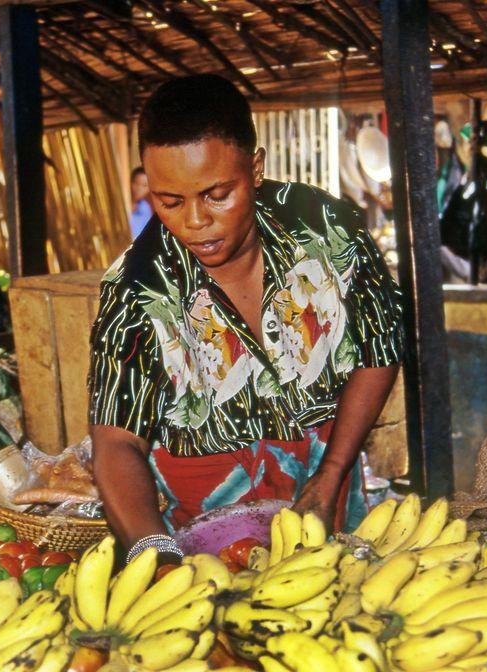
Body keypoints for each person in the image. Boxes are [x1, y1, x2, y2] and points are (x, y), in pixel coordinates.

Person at [87, 75, 404, 564]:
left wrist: (331, 473)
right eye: (169, 201)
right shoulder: (136, 289)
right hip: (199, 535)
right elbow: (116, 441)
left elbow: (378, 348)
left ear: (254, 169)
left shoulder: (328, 231)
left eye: (217, 194)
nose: (195, 221)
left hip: (331, 494)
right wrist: (157, 555)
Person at [128, 167, 153, 239]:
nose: (139, 189)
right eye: (136, 183)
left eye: (144, 185)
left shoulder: (146, 208)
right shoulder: (120, 205)